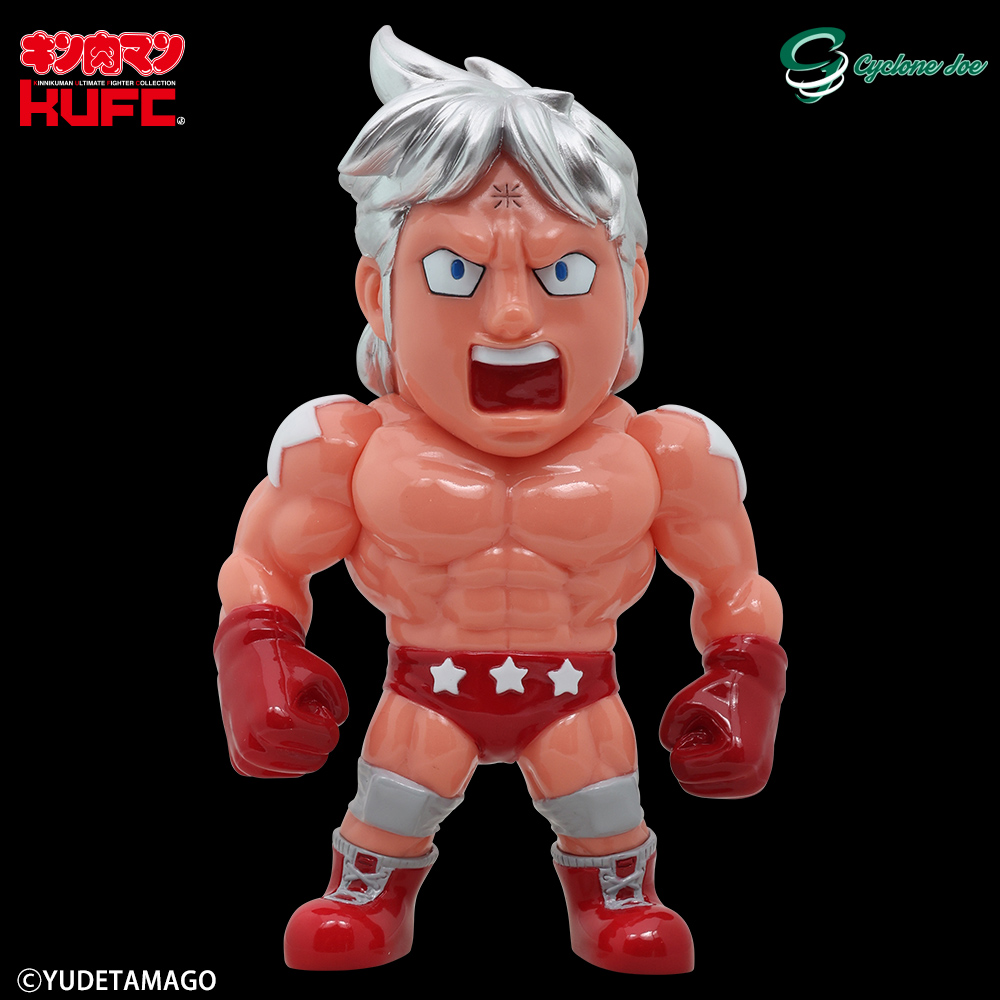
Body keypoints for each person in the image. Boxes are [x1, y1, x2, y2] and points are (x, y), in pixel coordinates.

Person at [214, 26, 786, 975]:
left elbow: (737, 586)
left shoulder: (668, 455)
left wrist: (743, 677)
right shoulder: (346, 447)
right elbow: (263, 564)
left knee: (605, 811)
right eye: (456, 273)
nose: (513, 318)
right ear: (378, 293)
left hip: (581, 694)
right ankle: (369, 894)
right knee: (388, 807)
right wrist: (260, 656)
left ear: (632, 284)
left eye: (565, 272)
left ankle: (616, 899)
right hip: (422, 691)